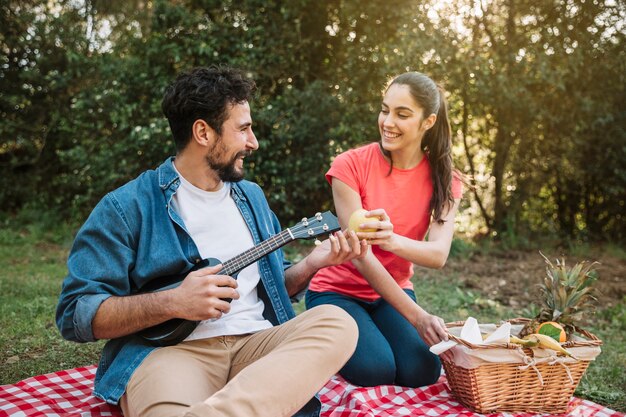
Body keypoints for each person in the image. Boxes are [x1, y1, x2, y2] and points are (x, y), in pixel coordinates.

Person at [56, 66, 366, 417]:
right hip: (171, 355)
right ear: (203, 132)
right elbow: (75, 313)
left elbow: (273, 283)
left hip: (256, 346)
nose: (254, 142)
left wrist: (313, 263)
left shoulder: (252, 197)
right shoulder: (126, 207)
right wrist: (173, 302)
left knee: (336, 322)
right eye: (243, 129)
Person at [305, 71, 463, 388]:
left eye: (402, 114)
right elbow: (361, 256)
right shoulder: (349, 166)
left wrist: (389, 241)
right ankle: (317, 333)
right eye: (385, 109)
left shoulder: (446, 178)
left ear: (428, 122)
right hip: (336, 292)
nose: (387, 122)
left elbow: (437, 254)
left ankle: (375, 331)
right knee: (375, 369)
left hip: (393, 292)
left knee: (422, 369)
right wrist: (418, 317)